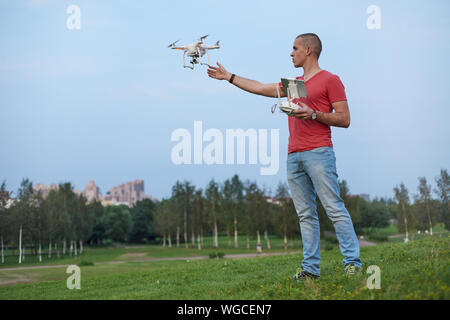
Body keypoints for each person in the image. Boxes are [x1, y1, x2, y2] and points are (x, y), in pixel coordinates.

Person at [207, 33, 362, 280]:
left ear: (308, 50)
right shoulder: (293, 84)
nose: (291, 53)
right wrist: (230, 77)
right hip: (294, 156)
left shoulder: (330, 80)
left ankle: (352, 263)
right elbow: (260, 87)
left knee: (334, 208)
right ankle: (310, 270)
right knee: (305, 215)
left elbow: (344, 118)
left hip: (319, 153)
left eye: (295, 48)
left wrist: (314, 114)